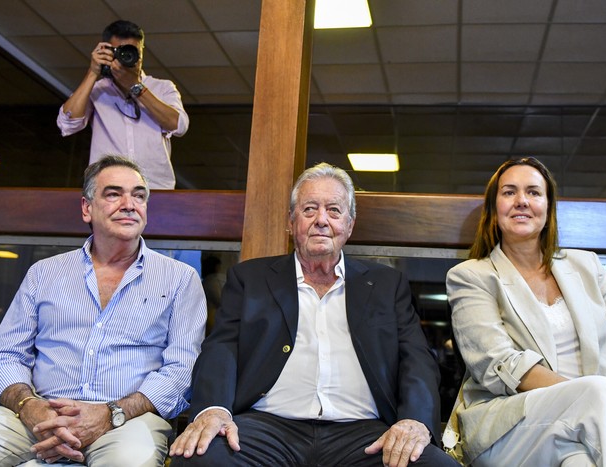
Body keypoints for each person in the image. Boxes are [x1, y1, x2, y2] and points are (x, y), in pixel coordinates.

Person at [169, 162, 457, 466]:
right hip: (267, 426)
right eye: (309, 210)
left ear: (349, 224)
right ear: (292, 222)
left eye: (333, 210)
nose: (321, 220)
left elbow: (416, 358)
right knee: (197, 460)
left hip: (363, 434)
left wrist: (414, 420)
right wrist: (214, 410)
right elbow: (221, 348)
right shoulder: (250, 279)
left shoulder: (386, 284)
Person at [0, 155, 207, 466]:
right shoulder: (44, 273)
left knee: (131, 460)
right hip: (39, 414)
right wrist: (31, 407)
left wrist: (111, 413)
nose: (129, 204)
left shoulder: (180, 279)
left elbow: (182, 371)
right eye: (113, 194)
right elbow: (3, 357)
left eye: (138, 195)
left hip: (129, 421)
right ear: (87, 208)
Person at [443, 157, 606, 466]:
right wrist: (599, 402)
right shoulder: (471, 276)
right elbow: (500, 364)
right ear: (494, 212)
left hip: (592, 420)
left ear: (548, 210)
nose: (522, 200)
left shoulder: (586, 266)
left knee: (581, 463)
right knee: (598, 394)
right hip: (513, 427)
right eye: (509, 192)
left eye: (534, 192)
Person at [57, 20, 189, 189]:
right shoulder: (97, 90)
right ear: (106, 51)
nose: (126, 58)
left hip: (154, 188)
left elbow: (179, 126)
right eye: (119, 52)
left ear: (141, 52)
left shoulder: (162, 87)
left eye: (132, 52)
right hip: (108, 188)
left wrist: (137, 87)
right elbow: (66, 124)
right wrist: (92, 72)